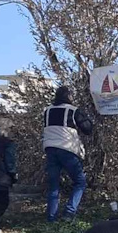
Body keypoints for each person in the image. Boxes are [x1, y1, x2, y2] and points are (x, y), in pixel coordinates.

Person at [43, 85, 94, 222]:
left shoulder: (47, 111)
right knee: (80, 182)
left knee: (54, 186)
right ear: (69, 96)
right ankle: (69, 212)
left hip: (50, 149)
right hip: (67, 149)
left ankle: (51, 218)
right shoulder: (72, 110)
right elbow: (87, 129)